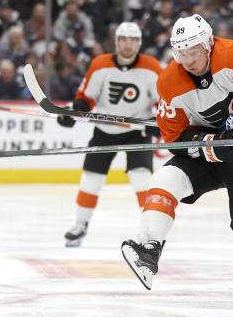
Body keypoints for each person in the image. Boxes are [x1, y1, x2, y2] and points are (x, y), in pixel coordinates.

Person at [120, 14, 233, 317]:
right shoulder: (170, 81)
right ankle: (148, 247)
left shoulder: (232, 56)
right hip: (209, 154)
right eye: (180, 53)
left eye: (194, 52)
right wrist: (205, 146)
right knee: (167, 177)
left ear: (209, 43)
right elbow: (174, 136)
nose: (188, 60)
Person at [58, 22, 162, 247]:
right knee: (91, 180)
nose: (128, 44)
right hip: (104, 130)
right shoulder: (101, 65)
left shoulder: (151, 67)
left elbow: (164, 102)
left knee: (142, 179)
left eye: (133, 39)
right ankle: (80, 225)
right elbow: (86, 98)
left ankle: (150, 232)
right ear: (116, 42)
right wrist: (73, 112)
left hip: (138, 131)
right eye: (124, 39)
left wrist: (159, 122)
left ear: (139, 42)